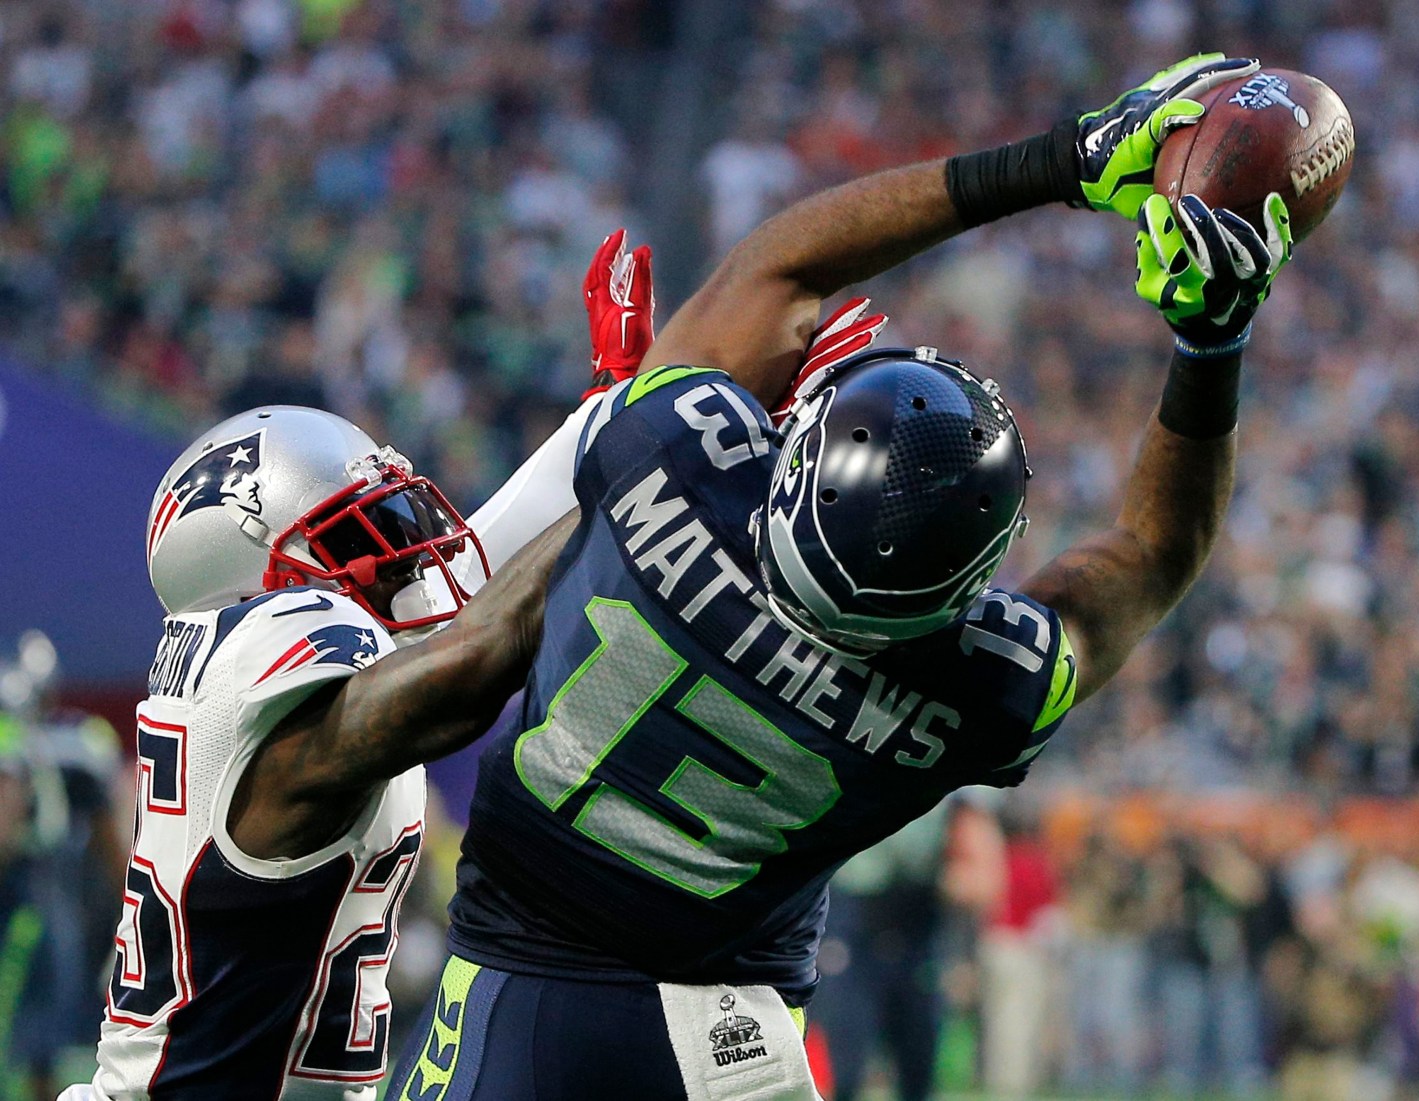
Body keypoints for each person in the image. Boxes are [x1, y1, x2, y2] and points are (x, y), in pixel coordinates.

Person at [387, 52, 1294, 1101]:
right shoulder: (973, 688)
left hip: (517, 992)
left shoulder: (672, 454)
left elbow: (777, 268)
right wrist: (1210, 340)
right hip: (742, 1046)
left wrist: (1058, 161)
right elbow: (1151, 556)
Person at [57, 234, 658, 1101]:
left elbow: (471, 574)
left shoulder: (255, 671)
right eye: (353, 538)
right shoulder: (264, 678)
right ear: (255, 582)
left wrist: (611, 413)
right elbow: (470, 655)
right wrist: (638, 464)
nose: (403, 556)